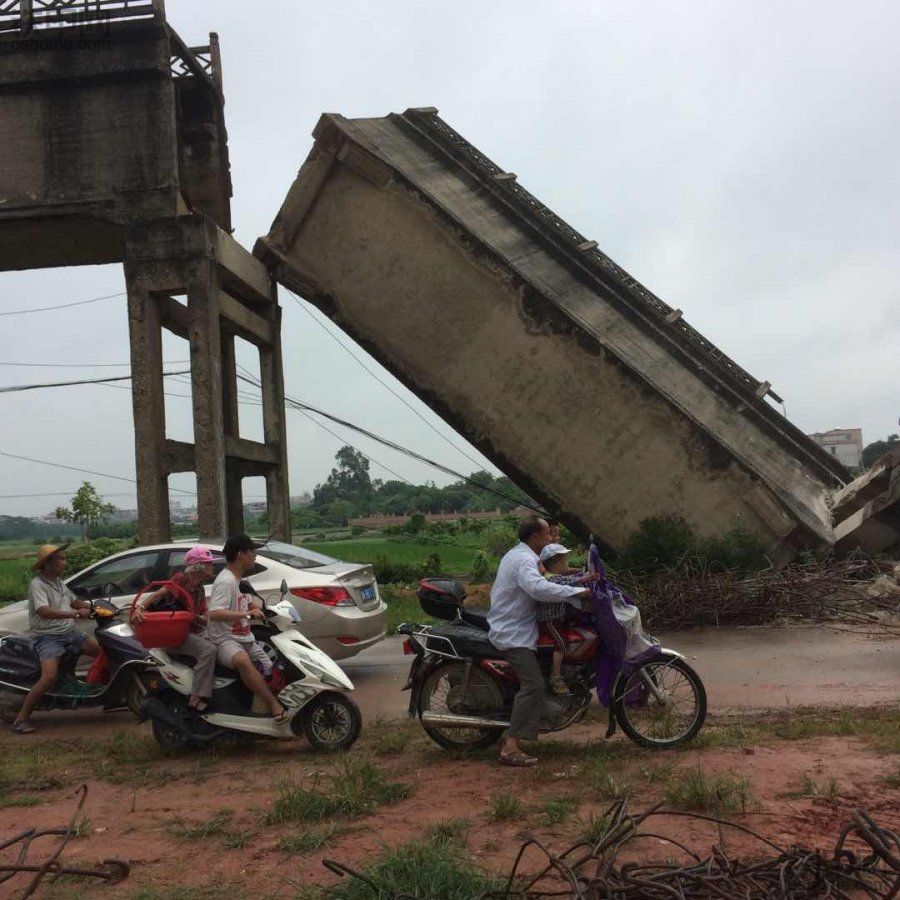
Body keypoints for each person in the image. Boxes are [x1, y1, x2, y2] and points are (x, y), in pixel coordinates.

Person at [487, 516, 594, 767]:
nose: (552, 539)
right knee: (533, 685)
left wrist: (579, 578)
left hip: (522, 625)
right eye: (548, 534)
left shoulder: (525, 556)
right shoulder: (524, 560)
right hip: (513, 631)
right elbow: (538, 589)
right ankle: (510, 747)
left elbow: (550, 579)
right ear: (535, 537)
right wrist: (577, 592)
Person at [11, 544, 99, 735]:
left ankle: (101, 692)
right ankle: (21, 719)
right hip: (48, 637)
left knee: (99, 651)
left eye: (64, 558)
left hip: (69, 632)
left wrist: (95, 607)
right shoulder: (38, 585)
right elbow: (44, 611)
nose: (64, 562)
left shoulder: (59, 582)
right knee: (49, 676)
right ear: (47, 563)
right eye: (61, 559)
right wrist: (76, 614)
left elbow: (74, 601)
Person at [207, 535, 286, 722]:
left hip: (244, 638)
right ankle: (274, 707)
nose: (255, 556)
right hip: (225, 640)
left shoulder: (237, 579)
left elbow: (246, 602)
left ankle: (260, 709)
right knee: (243, 661)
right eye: (252, 552)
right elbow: (215, 613)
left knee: (271, 670)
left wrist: (257, 607)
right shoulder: (225, 581)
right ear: (241, 555)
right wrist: (246, 615)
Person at [131, 546, 217, 713]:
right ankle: (196, 697)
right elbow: (158, 594)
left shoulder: (199, 588)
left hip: (190, 631)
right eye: (209, 563)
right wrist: (139, 608)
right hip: (175, 634)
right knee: (209, 651)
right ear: (198, 566)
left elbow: (204, 614)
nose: (212, 566)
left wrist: (200, 618)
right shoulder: (179, 580)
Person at [537, 543, 596, 696]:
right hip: (549, 620)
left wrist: (582, 573)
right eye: (565, 561)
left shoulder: (554, 575)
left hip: (559, 618)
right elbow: (567, 582)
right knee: (562, 643)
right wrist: (585, 578)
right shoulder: (551, 580)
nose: (567, 564)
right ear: (556, 563)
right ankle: (556, 677)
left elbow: (569, 575)